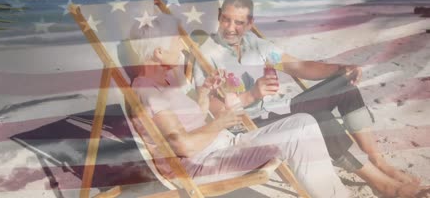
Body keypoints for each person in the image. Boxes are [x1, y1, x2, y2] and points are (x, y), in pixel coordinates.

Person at [192, 0, 422, 197]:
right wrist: (251, 95)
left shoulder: (256, 45)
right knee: (321, 118)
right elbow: (213, 110)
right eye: (226, 19)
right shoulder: (207, 54)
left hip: (277, 108)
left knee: (346, 87)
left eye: (239, 22)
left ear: (250, 23)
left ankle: (377, 161)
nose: (231, 28)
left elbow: (298, 66)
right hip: (249, 124)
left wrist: (338, 69)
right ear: (219, 17)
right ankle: (384, 185)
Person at [128, 13, 350, 198]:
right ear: (158, 52)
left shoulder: (163, 84)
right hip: (203, 164)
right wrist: (220, 123)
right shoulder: (149, 92)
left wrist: (204, 92)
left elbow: (192, 123)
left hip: (222, 146)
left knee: (303, 122)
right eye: (176, 40)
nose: (182, 46)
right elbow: (184, 146)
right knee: (298, 132)